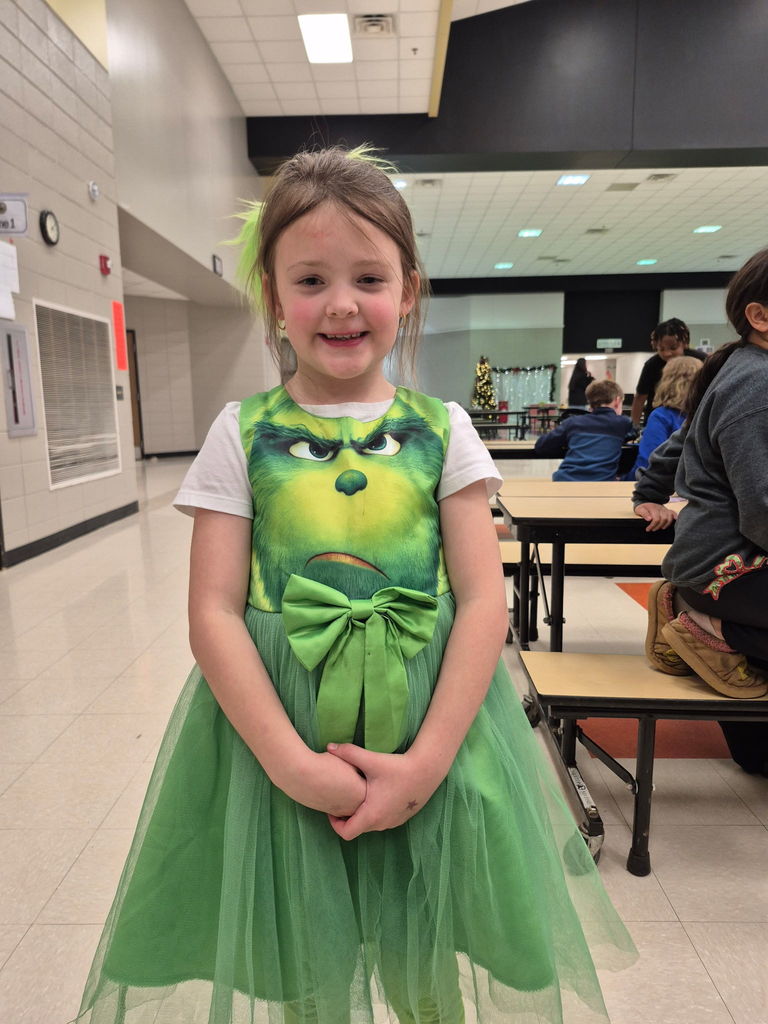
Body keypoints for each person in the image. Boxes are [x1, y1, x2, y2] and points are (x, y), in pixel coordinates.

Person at [71, 146, 634, 1024]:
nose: (340, 303)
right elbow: (214, 611)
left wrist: (426, 764)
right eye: (310, 280)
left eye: (368, 277)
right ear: (272, 296)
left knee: (426, 950)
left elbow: (485, 602)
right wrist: (293, 766)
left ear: (408, 289)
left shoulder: (441, 430)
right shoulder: (241, 431)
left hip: (431, 725)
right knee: (307, 956)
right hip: (280, 732)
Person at [636, 246, 768, 769]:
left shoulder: (735, 367)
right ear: (759, 316)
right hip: (730, 568)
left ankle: (696, 616)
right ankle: (711, 628)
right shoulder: (757, 383)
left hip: (707, 565)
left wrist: (648, 491)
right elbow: (761, 508)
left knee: (758, 760)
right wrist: (649, 494)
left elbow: (678, 445)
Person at [535, 378, 636, 481]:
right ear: (617, 401)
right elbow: (634, 433)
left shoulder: (573, 422)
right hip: (601, 483)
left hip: (566, 480)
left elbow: (541, 446)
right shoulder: (622, 423)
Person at [621, 355, 702, 480]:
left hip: (665, 488)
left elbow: (648, 463)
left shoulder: (662, 416)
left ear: (666, 382)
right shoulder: (708, 415)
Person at [629, 317, 706, 426]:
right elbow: (640, 397)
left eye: (673, 348)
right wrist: (634, 426)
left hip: (691, 418)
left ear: (684, 343)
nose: (667, 353)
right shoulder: (652, 365)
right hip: (659, 419)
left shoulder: (701, 361)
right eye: (661, 349)